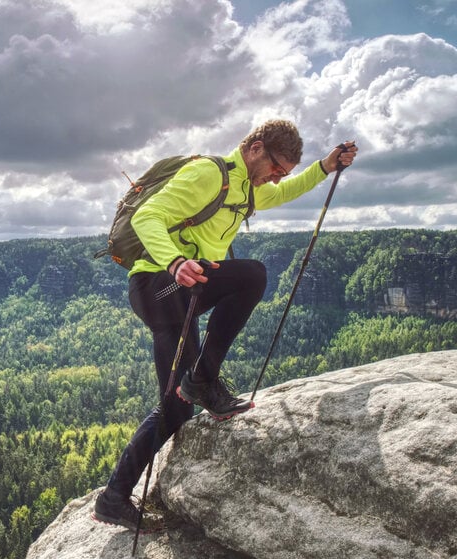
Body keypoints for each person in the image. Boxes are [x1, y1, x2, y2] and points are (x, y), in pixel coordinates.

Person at [93, 119, 357, 529]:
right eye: (275, 167)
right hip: (158, 286)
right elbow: (148, 217)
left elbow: (285, 193)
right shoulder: (209, 174)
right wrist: (175, 262)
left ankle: (112, 498)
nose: (276, 177)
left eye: (283, 172)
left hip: (183, 294)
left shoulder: (248, 189)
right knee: (252, 275)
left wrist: (325, 166)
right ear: (255, 148)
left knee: (175, 408)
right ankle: (203, 381)